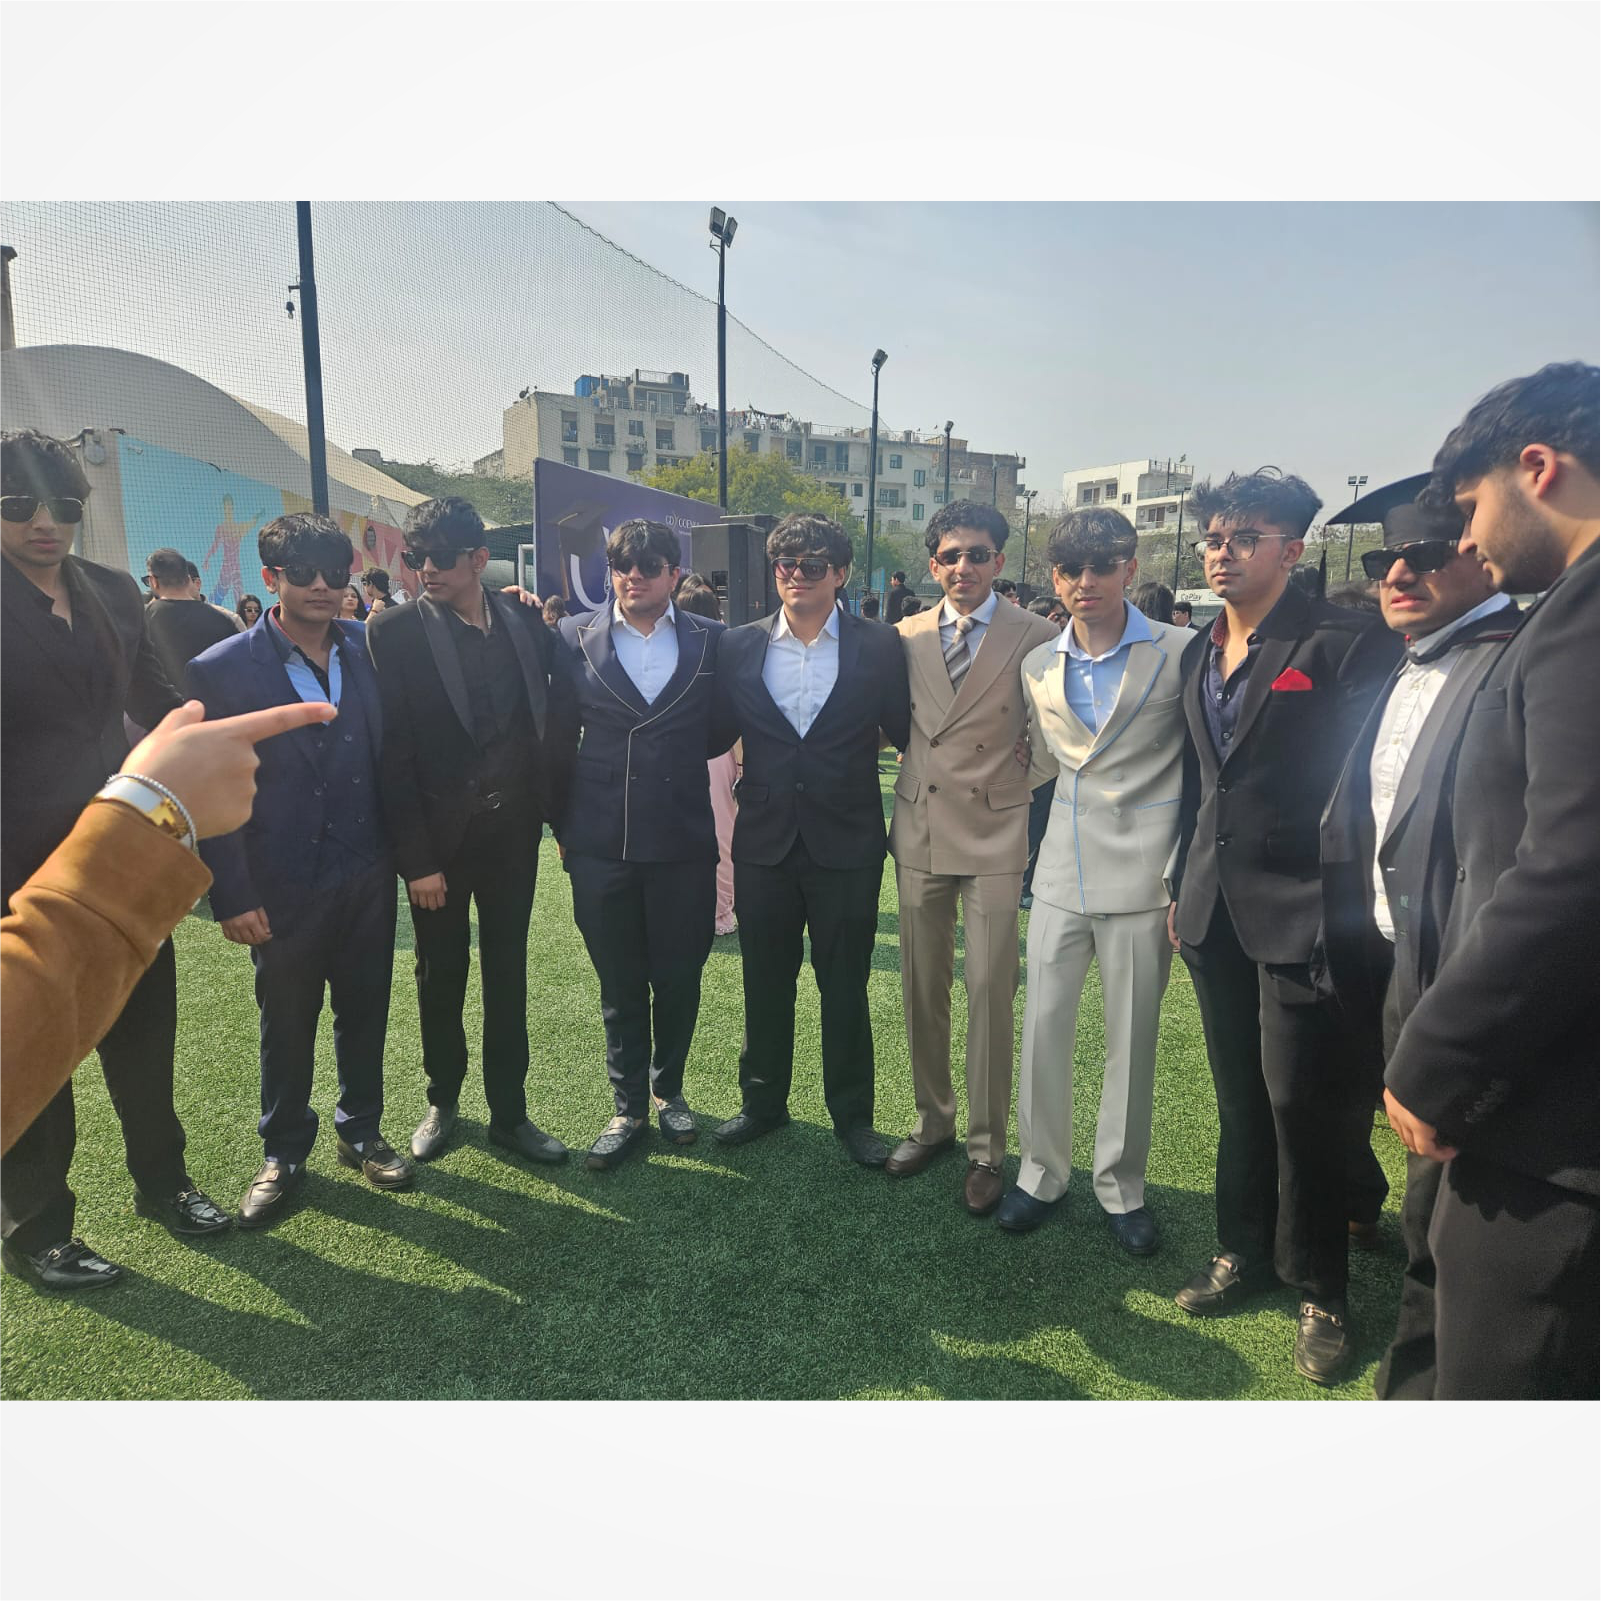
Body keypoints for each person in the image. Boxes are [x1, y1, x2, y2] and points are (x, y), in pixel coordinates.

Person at [1381, 362, 1598, 1399]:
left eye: (1467, 508)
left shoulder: (1583, 612)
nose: (1463, 539)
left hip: (1554, 1133)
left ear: (1537, 467)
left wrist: (1438, 1056)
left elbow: (1572, 865)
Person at [1168, 465, 1401, 1385]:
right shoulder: (1197, 648)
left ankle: (1321, 1288)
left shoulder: (1344, 642)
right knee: (1237, 1097)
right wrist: (1178, 884)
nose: (1220, 553)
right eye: (1212, 539)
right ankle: (1242, 1248)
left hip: (1304, 911)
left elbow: (1369, 783)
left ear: (1291, 549)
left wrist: (1339, 902)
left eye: (1242, 538)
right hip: (1210, 909)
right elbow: (1199, 784)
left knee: (1304, 1103)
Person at [1, 429, 230, 1294]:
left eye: (63, 506)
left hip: (120, 853)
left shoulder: (110, 591)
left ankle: (164, 1183)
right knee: (32, 1050)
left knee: (144, 1032)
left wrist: (210, 740)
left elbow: (158, 701)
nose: (44, 522)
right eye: (19, 505)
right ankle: (37, 1231)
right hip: (15, 867)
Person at [1315, 472, 1516, 1397]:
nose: (1397, 573)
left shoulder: (1514, 662)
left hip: (1462, 965)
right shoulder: (1408, 660)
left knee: (1448, 1196)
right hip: (1382, 948)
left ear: (1478, 550)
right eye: (1383, 558)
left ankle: (1424, 1378)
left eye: (1424, 553)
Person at [187, 514, 410, 1229]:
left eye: (335, 573)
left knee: (365, 1008)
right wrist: (232, 893)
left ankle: (361, 1129)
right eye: (304, 573)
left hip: (366, 869)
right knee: (285, 1021)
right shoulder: (221, 668)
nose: (322, 586)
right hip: (278, 881)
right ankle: (283, 1151)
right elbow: (210, 789)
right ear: (270, 577)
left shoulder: (369, 647)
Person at [2, 696, 337, 1155]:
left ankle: (162, 1177)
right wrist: (152, 809)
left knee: (143, 1045)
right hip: (48, 861)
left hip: (102, 886)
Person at [1001, 507, 1194, 1251]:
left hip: (1146, 878)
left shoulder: (1181, 652)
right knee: (1042, 1030)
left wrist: (1182, 873)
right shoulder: (1037, 665)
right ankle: (1039, 1175)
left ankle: (1122, 1188)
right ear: (1055, 578)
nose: (1086, 581)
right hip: (1058, 870)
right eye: (1070, 569)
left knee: (1132, 1041)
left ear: (1129, 569)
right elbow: (1045, 762)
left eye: (1101, 565)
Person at [367, 496, 575, 1168]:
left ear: (479, 559)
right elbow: (392, 754)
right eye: (415, 557)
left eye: (439, 557)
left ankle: (510, 1113)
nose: (424, 569)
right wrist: (416, 860)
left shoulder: (523, 617)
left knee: (507, 970)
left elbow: (550, 716)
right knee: (440, 973)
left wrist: (557, 815)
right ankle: (443, 1100)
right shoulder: (392, 631)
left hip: (513, 831)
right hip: (439, 844)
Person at [710, 513, 910, 1164]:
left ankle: (853, 1116)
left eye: (813, 565)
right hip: (763, 840)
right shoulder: (738, 645)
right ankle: (761, 1103)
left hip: (847, 840)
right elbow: (713, 729)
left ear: (841, 573)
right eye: (786, 564)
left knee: (845, 983)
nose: (797, 575)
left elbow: (907, 729)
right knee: (764, 979)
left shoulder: (879, 645)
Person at [882, 501, 1055, 1213]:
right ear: (933, 565)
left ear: (998, 561)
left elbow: (1057, 730)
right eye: (951, 556)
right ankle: (932, 1121)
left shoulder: (1037, 634)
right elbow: (888, 719)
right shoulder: (904, 634)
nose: (964, 567)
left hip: (994, 827)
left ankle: (986, 1147)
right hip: (921, 825)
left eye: (978, 555)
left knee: (989, 988)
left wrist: (1019, 780)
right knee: (922, 985)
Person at [549, 520, 733, 1169]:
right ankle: (627, 1106)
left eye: (649, 566)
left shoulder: (712, 640)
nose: (634, 577)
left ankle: (669, 1091)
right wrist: (564, 829)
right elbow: (555, 737)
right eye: (622, 566)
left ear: (673, 575)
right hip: (600, 840)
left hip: (683, 836)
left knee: (680, 976)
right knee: (620, 981)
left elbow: (721, 728)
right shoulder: (572, 636)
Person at [677, 576, 740, 936]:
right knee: (722, 835)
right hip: (719, 753)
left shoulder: (674, 647)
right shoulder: (725, 646)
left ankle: (706, 910)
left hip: (682, 752)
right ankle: (720, 911)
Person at [142, 546, 244, 691]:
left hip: (166, 704)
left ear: (153, 581)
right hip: (218, 702)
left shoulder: (144, 619)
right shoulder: (223, 618)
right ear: (188, 579)